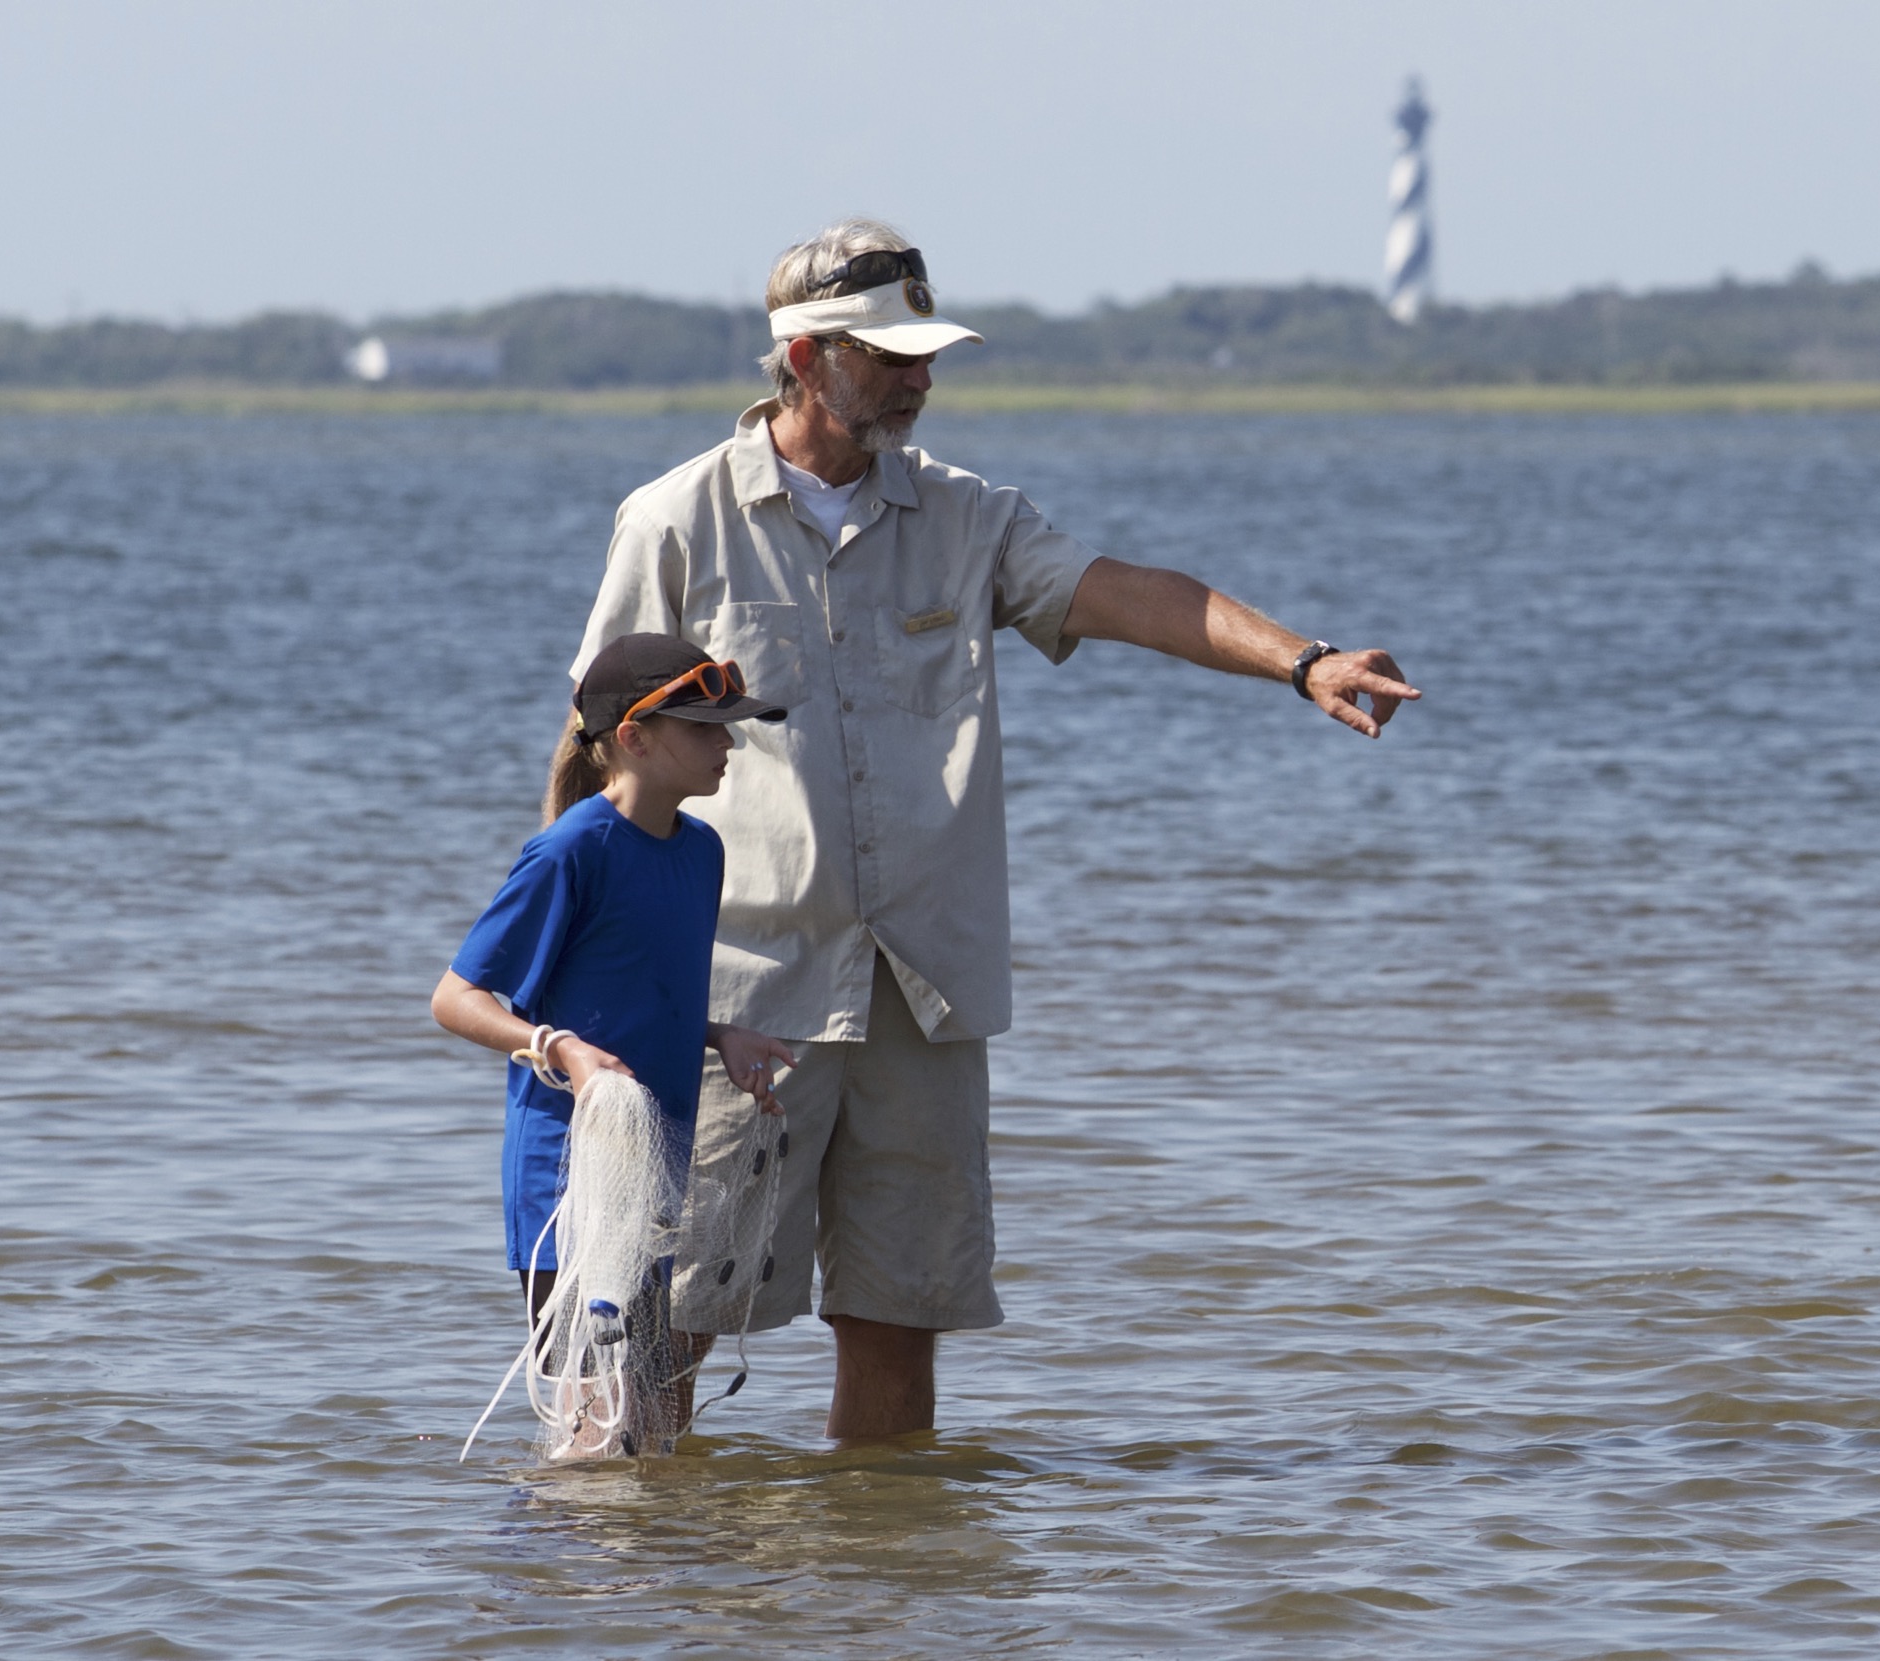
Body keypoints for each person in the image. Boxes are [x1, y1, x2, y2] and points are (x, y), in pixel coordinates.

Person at [570, 220, 1420, 1439]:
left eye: (928, 353)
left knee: (899, 1330)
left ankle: (884, 1598)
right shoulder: (674, 521)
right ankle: (633, 1595)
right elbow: (593, 746)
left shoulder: (972, 518)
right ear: (807, 359)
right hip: (737, 1000)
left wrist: (1306, 661)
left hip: (924, 993)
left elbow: (1132, 594)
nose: (923, 378)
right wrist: (579, 985)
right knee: (666, 1326)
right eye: (894, 356)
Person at [430, 633, 799, 1451]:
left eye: (728, 726)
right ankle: (561, 1568)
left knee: (638, 1427)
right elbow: (455, 998)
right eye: (706, 727)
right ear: (633, 737)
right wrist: (559, 1049)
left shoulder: (701, 852)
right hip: (565, 1179)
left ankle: (621, 1573)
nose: (728, 743)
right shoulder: (571, 850)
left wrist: (719, 1035)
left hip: (651, 1170)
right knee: (594, 1420)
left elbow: (636, 995)